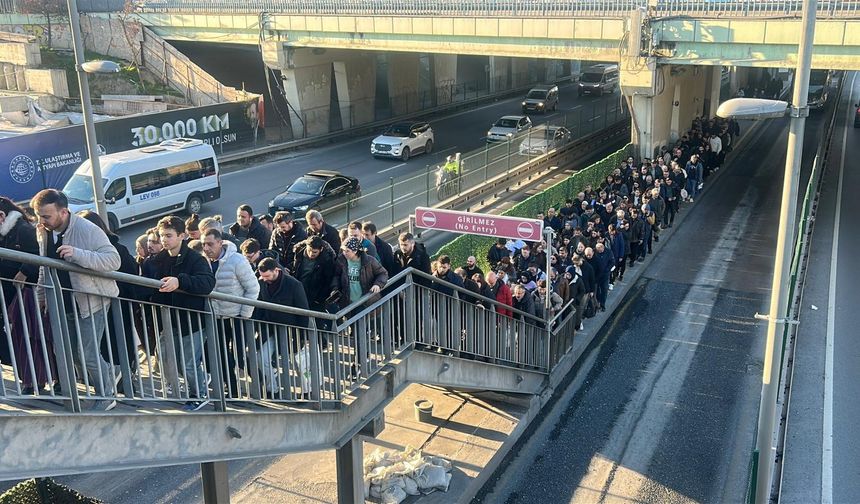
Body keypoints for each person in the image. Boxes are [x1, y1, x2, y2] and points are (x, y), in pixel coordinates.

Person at [30, 189, 120, 411]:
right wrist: (41, 295)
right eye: (39, 215)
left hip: (91, 301)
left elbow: (113, 260)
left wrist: (78, 254)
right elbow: (45, 265)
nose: (42, 221)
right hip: (62, 302)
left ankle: (107, 395)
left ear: (63, 212)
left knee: (88, 354)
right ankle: (102, 384)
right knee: (71, 353)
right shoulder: (44, 231)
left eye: (46, 216)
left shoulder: (87, 229)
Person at [144, 216, 216, 411]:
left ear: (182, 236)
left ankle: (198, 394)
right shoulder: (158, 260)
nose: (164, 240)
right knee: (164, 356)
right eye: (161, 236)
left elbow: (207, 283)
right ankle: (177, 388)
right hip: (167, 320)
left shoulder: (195, 259)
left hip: (190, 321)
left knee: (189, 362)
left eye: (168, 235)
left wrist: (180, 281)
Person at [77, 210, 140, 384]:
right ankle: (118, 382)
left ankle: (124, 381)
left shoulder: (117, 249)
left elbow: (131, 278)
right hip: (98, 303)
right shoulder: (84, 251)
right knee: (105, 345)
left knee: (118, 344)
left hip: (118, 303)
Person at [0, 196, 51, 395]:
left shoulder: (22, 229)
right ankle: (28, 379)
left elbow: (37, 254)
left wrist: (24, 271)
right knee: (17, 338)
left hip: (25, 293)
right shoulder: (6, 232)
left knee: (28, 337)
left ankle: (35, 381)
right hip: (10, 293)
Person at [203, 228, 259, 398]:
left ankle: (261, 383)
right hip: (216, 316)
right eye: (204, 244)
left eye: (210, 244)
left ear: (220, 243)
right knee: (216, 353)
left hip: (236, 317)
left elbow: (253, 288)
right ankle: (232, 388)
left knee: (240, 355)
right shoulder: (204, 260)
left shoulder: (237, 260)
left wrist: (244, 314)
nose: (206, 248)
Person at [253, 258, 310, 398]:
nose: (264, 279)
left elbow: (303, 311)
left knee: (299, 363)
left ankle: (308, 390)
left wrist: (302, 337)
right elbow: (259, 306)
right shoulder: (261, 282)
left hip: (291, 330)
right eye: (262, 276)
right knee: (262, 358)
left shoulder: (294, 285)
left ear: (276, 270)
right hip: (269, 328)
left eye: (267, 276)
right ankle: (272, 389)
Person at [331, 237, 388, 378]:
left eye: (348, 251)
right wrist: (334, 289)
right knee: (358, 333)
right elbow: (337, 276)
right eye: (343, 250)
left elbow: (383, 273)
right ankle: (363, 355)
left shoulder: (369, 261)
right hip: (349, 303)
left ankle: (358, 365)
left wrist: (377, 284)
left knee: (358, 334)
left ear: (356, 251)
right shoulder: (341, 260)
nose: (344, 253)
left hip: (364, 303)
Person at [292, 235, 337, 331]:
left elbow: (327, 281)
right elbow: (296, 270)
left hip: (316, 297)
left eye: (315, 252)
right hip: (299, 292)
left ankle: (321, 343)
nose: (311, 254)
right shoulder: (299, 253)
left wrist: (319, 299)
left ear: (321, 249)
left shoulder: (326, 260)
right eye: (309, 250)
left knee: (317, 325)